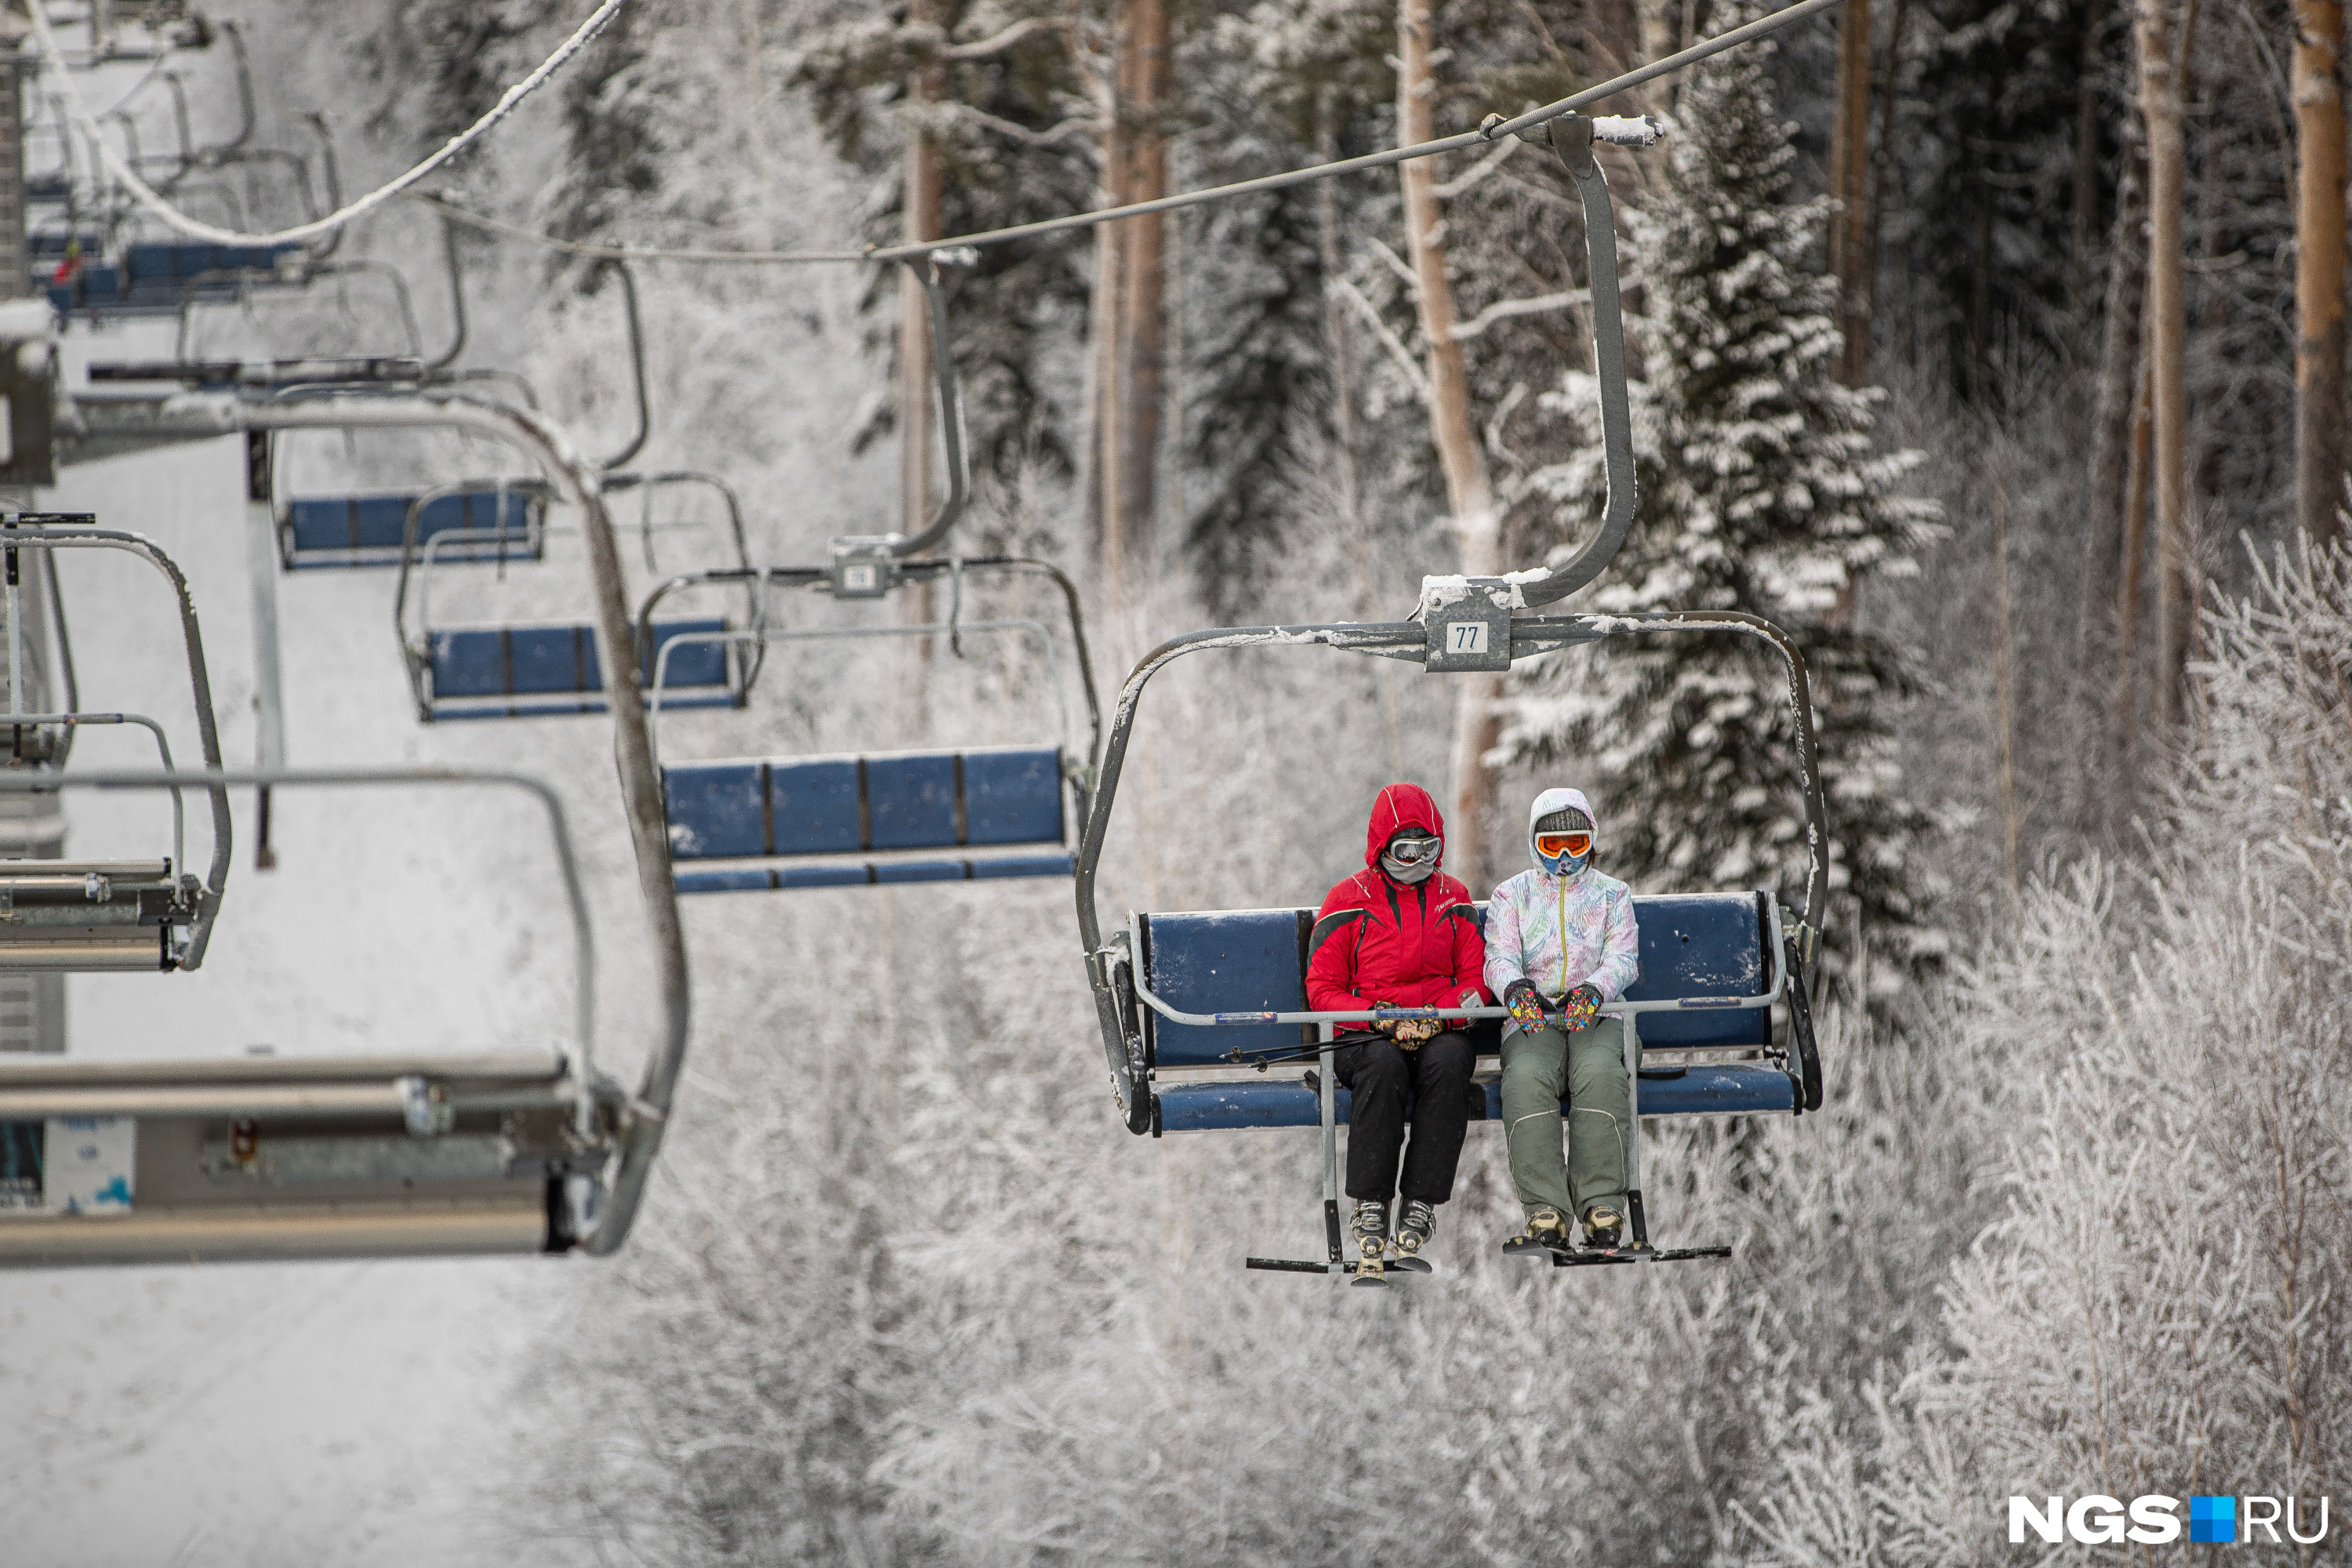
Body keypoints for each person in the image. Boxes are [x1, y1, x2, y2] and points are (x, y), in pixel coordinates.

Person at [1305, 782, 1486, 1283]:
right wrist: (1378, 1017)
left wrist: (1437, 1017)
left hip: (1436, 1028)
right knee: (1382, 1068)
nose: (1416, 862)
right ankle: (1371, 1202)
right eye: (1404, 851)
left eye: (1427, 850)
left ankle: (1421, 1200)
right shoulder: (1348, 900)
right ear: (1382, 846)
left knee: (1451, 1064)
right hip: (1366, 1034)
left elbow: (1474, 981)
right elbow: (1322, 989)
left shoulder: (1454, 899)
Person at [1483, 787, 1642, 1254]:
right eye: (1553, 846)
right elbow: (1498, 957)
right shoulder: (1511, 896)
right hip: (1534, 1017)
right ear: (1535, 846)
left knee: (1599, 1074)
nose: (1567, 856)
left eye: (1575, 843)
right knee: (1527, 1077)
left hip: (1597, 1014)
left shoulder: (1613, 895)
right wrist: (1514, 988)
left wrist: (1596, 988)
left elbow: (1624, 957)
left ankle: (1601, 1204)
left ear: (1591, 839)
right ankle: (1544, 1210)